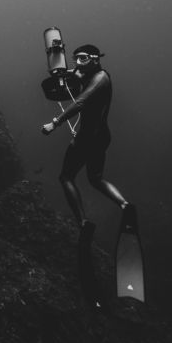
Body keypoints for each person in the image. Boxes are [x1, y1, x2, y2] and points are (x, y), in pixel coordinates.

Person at [41, 44, 129, 226]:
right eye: (76, 59)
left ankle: (83, 222)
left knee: (66, 177)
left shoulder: (101, 78)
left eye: (83, 58)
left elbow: (80, 102)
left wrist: (55, 123)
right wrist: (70, 75)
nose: (78, 63)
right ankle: (125, 205)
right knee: (96, 179)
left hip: (87, 138)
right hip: (101, 137)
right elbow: (75, 86)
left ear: (95, 59)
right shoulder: (92, 76)